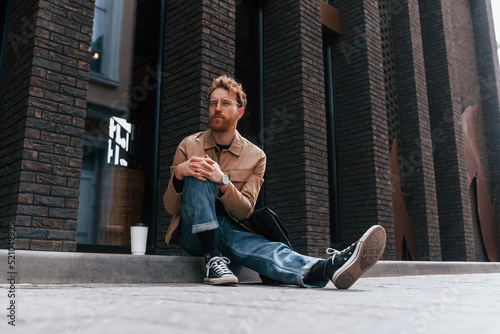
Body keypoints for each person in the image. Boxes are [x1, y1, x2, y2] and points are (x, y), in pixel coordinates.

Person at [163, 75, 386, 288]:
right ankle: (212, 258)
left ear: (240, 112)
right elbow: (170, 207)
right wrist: (180, 174)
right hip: (192, 233)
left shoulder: (256, 156)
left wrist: (222, 181)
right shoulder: (188, 145)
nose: (217, 108)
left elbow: (244, 212)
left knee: (266, 249)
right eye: (212, 103)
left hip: (230, 231)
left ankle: (326, 268)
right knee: (198, 173)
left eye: (224, 103)